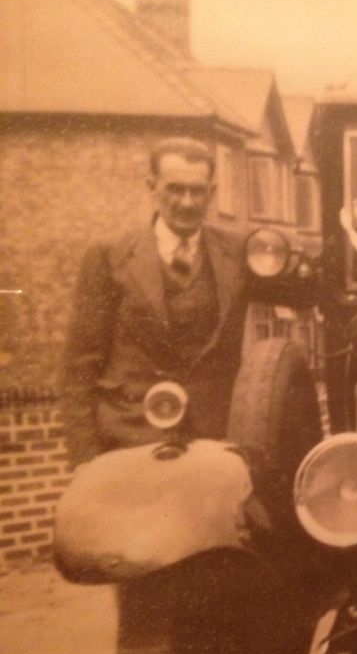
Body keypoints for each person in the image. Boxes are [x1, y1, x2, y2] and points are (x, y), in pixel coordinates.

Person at [60, 137, 247, 466]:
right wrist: (85, 458)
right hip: (129, 440)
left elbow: (305, 286)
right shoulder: (109, 255)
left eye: (197, 190)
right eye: (174, 189)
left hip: (214, 444)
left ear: (212, 192)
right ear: (152, 186)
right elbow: (79, 366)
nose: (187, 202)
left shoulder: (239, 251)